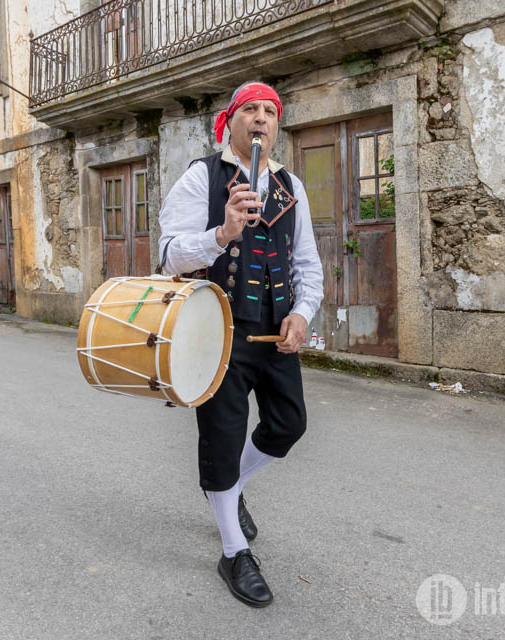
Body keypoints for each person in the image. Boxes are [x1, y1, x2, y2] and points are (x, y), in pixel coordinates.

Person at [158, 82, 323, 607]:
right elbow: (169, 255)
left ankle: (223, 488)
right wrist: (222, 232)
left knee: (288, 424)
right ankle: (233, 550)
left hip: (275, 334)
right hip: (218, 333)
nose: (260, 119)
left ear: (276, 126)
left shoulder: (289, 185)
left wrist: (301, 313)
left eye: (270, 112)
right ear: (230, 121)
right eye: (249, 110)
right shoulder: (202, 177)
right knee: (222, 441)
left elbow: (307, 265)